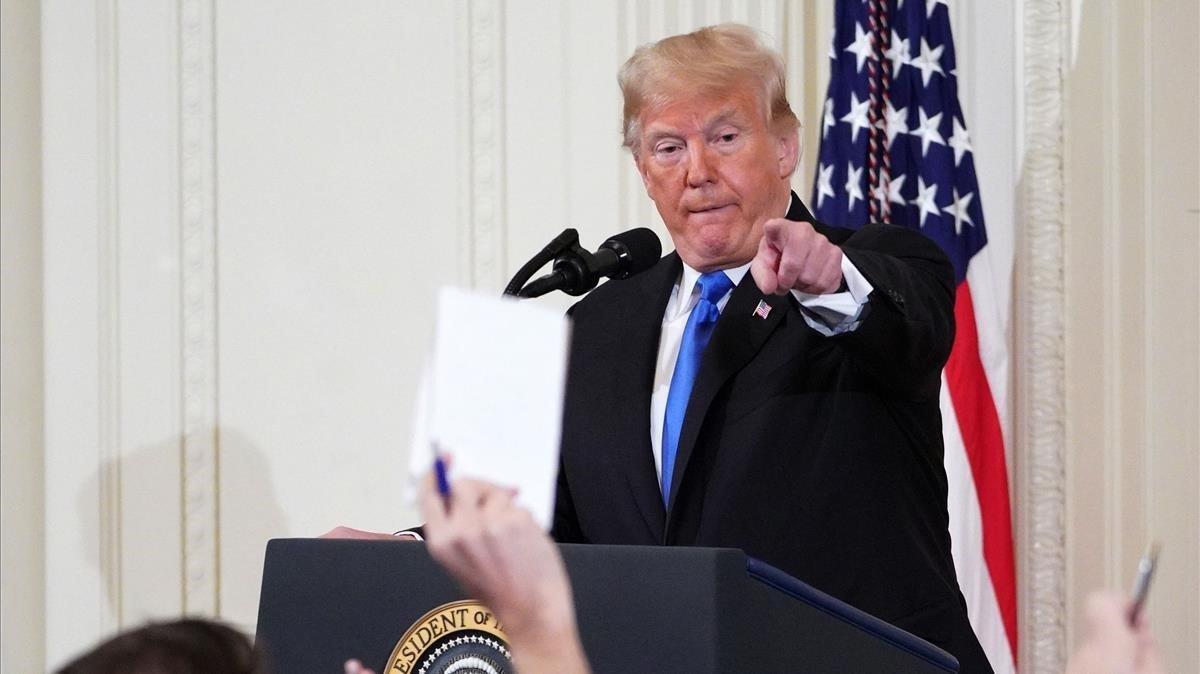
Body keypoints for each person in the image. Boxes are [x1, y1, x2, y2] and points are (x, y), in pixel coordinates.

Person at [548, 22, 991, 671]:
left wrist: (829, 278)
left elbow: (909, 327)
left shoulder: (880, 267)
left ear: (785, 147)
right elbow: (545, 523)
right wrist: (406, 550)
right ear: (643, 169)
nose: (697, 172)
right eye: (668, 147)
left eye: (724, 138)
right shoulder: (594, 327)